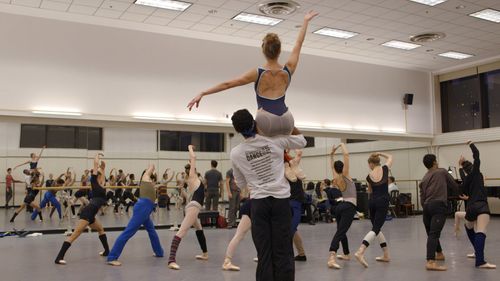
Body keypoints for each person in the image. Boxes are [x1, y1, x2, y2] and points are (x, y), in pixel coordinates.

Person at [187, 11, 319, 138]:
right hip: (287, 118)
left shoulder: (257, 73)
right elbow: (298, 44)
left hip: (266, 119)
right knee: (287, 140)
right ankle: (297, 142)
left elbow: (228, 84)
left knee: (255, 137)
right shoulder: (288, 69)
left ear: (263, 51)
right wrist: (305, 21)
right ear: (280, 51)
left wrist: (203, 93)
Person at [229, 109, 306, 281]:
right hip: (280, 203)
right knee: (283, 250)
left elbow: (241, 184)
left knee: (264, 252)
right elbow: (302, 141)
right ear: (255, 123)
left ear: (238, 131)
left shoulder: (236, 153)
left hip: (259, 205)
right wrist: (289, 124)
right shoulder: (275, 142)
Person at [54, 153, 110, 265]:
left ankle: (107, 251)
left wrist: (103, 166)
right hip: (88, 212)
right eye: (99, 174)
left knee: (100, 229)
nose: (101, 176)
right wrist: (97, 156)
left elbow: (102, 170)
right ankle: (59, 257)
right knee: (75, 234)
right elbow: (95, 165)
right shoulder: (94, 183)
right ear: (96, 176)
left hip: (92, 214)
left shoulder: (102, 185)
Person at [107, 164, 164, 266]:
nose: (153, 176)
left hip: (145, 209)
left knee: (151, 231)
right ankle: (112, 257)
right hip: (142, 208)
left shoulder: (149, 183)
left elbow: (155, 183)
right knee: (128, 232)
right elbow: (152, 167)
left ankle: (159, 252)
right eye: (152, 175)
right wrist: (151, 166)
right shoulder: (145, 178)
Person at [167, 145, 209, 270]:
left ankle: (205, 253)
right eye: (192, 166)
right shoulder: (191, 176)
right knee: (182, 231)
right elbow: (193, 156)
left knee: (199, 228)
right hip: (193, 207)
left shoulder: (194, 180)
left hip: (193, 207)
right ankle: (171, 260)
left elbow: (188, 195)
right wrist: (190, 148)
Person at [458, 141, 496, 269]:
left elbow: (462, 188)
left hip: (471, 207)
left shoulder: (466, 180)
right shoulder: (477, 173)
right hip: (481, 206)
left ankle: (476, 252)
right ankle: (480, 261)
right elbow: (477, 155)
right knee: (481, 231)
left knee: (468, 227)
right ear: (473, 167)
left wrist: (460, 166)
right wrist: (471, 144)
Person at [419, 153, 459, 271]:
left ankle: (439, 254)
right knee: (434, 234)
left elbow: (422, 196)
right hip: (438, 206)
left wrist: (425, 206)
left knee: (431, 233)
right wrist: (460, 195)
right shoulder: (442, 172)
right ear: (435, 162)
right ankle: (430, 261)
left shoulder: (424, 177)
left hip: (426, 207)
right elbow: (454, 185)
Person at [354, 152, 393, 268]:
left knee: (376, 228)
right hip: (383, 201)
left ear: (371, 163)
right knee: (376, 228)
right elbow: (391, 157)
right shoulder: (385, 169)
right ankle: (360, 251)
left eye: (368, 164)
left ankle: (386, 254)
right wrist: (380, 153)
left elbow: (369, 191)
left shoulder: (368, 176)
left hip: (372, 202)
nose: (369, 166)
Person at [327, 143, 357, 269]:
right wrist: (342, 144)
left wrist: (332, 154)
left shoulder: (336, 177)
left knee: (341, 230)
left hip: (341, 206)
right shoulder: (345, 175)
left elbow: (332, 165)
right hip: (349, 207)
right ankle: (332, 257)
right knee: (341, 232)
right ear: (343, 167)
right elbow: (346, 155)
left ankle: (346, 254)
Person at [222, 197, 252, 271]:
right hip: (251, 207)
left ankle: (261, 255)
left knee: (259, 235)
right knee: (239, 235)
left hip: (252, 205)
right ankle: (227, 261)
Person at [289, 176, 307, 261]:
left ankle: (285, 255)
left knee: (290, 230)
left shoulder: (289, 173)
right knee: (293, 229)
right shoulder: (296, 174)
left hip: (292, 203)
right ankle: (301, 254)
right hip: (295, 203)